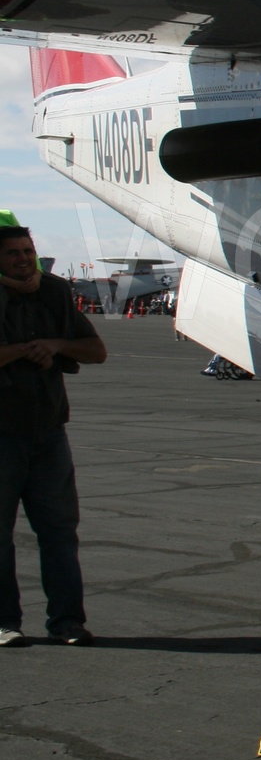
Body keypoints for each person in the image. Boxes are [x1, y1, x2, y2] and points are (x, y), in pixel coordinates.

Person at [0, 225, 108, 647]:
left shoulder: (55, 293)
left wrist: (55, 344)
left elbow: (95, 350)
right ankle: (5, 622)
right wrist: (27, 350)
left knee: (60, 532)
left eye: (28, 250)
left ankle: (67, 622)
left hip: (47, 434)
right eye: (13, 254)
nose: (24, 260)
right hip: (2, 436)